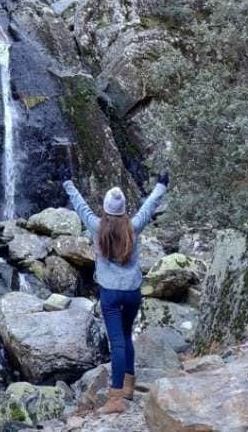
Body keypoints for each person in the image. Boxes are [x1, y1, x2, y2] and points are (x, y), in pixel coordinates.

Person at [63, 172, 169, 415]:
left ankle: (116, 397)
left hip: (110, 294)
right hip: (132, 292)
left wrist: (68, 182)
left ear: (106, 209)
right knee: (126, 335)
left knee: (117, 343)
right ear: (123, 211)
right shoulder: (133, 226)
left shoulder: (96, 226)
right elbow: (149, 205)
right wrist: (161, 185)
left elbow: (80, 206)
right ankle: (129, 386)